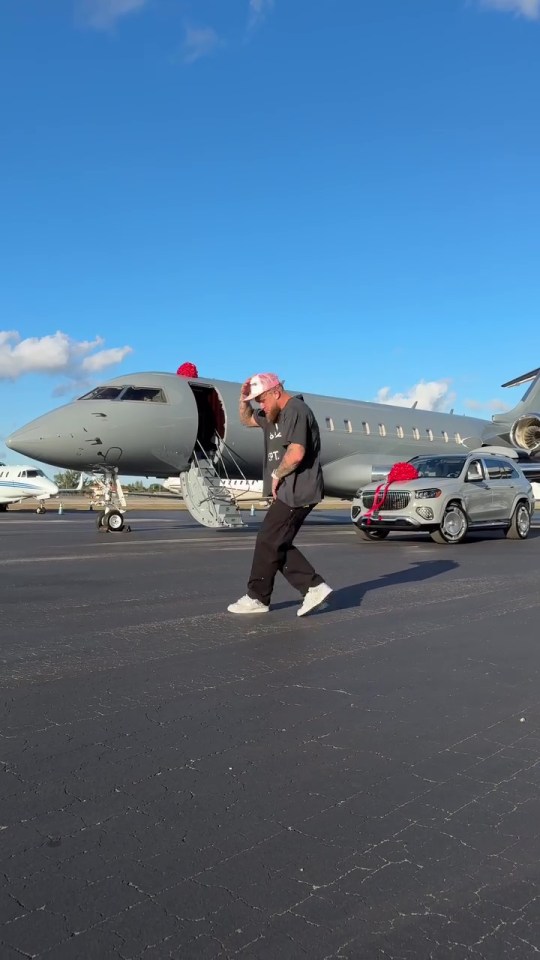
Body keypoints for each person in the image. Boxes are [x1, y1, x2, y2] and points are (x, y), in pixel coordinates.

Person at [227, 372, 333, 617]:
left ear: (276, 391)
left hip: (298, 488)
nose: (260, 405)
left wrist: (276, 474)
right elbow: (246, 421)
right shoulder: (270, 415)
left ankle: (259, 597)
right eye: (257, 402)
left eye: (262, 399)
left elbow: (296, 453)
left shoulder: (296, 410)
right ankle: (313, 586)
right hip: (288, 488)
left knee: (268, 540)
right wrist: (244, 400)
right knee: (275, 543)